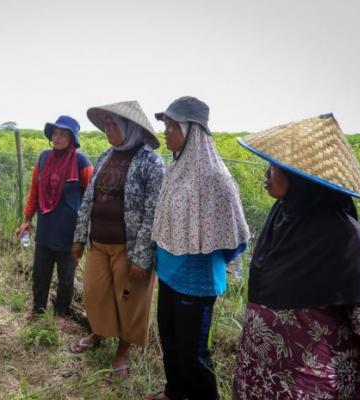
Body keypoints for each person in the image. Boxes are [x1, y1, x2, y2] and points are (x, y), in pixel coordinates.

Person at [233, 114, 360, 399]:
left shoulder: (343, 237)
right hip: (259, 378)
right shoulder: (282, 216)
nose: (265, 174)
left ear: (298, 176)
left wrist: (350, 370)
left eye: (273, 167)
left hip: (310, 386)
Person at [145, 96, 250, 400]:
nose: (166, 132)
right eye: (165, 125)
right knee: (170, 339)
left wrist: (205, 249)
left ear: (192, 130)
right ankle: (174, 392)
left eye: (172, 126)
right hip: (168, 273)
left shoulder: (216, 178)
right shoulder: (174, 168)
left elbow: (235, 235)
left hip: (197, 282)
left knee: (193, 353)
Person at [70, 100, 165, 379]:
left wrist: (142, 255)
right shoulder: (105, 156)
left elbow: (153, 211)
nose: (107, 130)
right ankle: (98, 333)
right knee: (95, 293)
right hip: (98, 243)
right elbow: (89, 199)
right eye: (106, 124)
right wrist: (79, 237)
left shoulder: (150, 161)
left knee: (130, 301)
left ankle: (123, 351)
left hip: (129, 247)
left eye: (113, 124)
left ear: (129, 127)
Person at [15, 115, 93, 327]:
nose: (57, 138)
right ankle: (38, 309)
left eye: (63, 134)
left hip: (70, 232)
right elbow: (35, 191)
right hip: (46, 228)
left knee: (66, 276)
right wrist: (27, 218)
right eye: (55, 133)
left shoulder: (81, 161)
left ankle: (61, 312)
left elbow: (90, 198)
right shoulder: (43, 158)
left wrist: (84, 234)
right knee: (40, 272)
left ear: (72, 138)